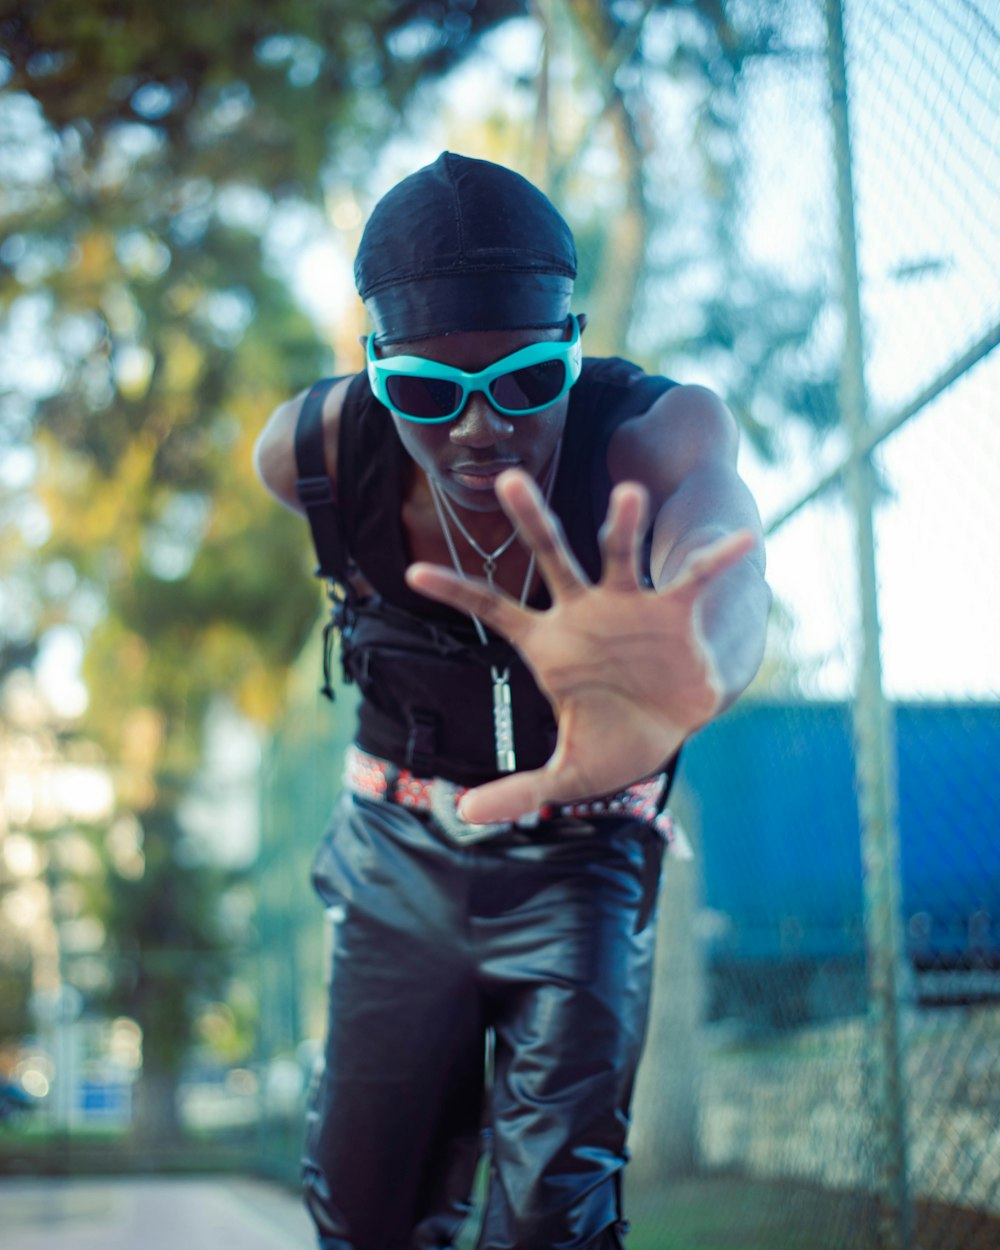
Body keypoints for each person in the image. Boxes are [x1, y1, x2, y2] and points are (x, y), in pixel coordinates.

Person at [255, 152, 770, 1250]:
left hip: (582, 857)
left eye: (528, 381)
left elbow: (720, 554)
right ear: (376, 373)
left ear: (573, 348)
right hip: (395, 845)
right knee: (367, 1214)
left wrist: (698, 661)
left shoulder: (653, 435)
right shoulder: (309, 452)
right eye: (428, 394)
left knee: (551, 1221)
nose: (479, 428)